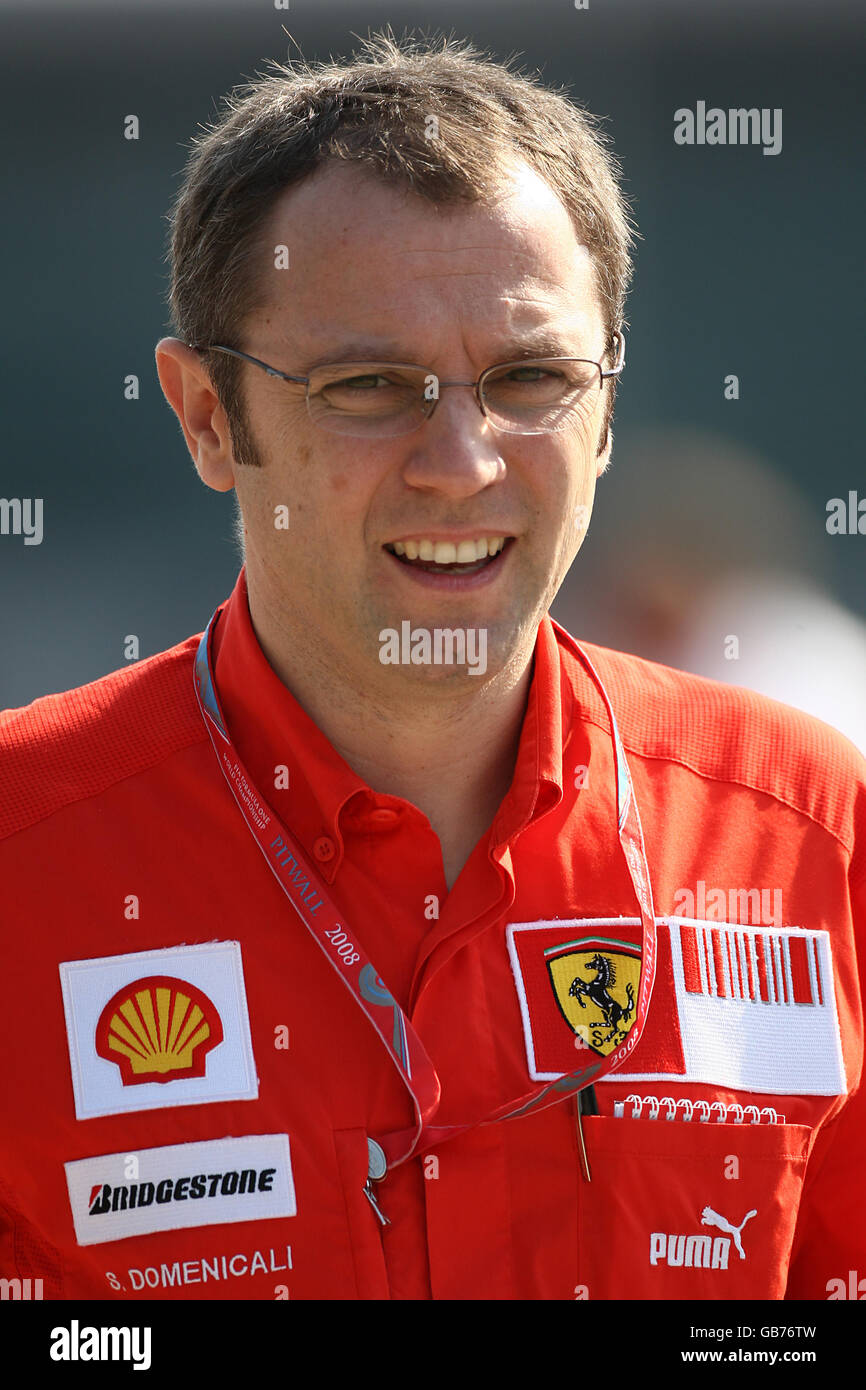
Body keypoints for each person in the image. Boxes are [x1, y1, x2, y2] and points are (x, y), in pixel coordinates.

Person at [1, 32, 863, 1303]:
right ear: (204, 417)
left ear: (611, 409)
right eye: (366, 387)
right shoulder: (27, 850)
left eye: (530, 378)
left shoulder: (806, 828)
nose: (460, 462)